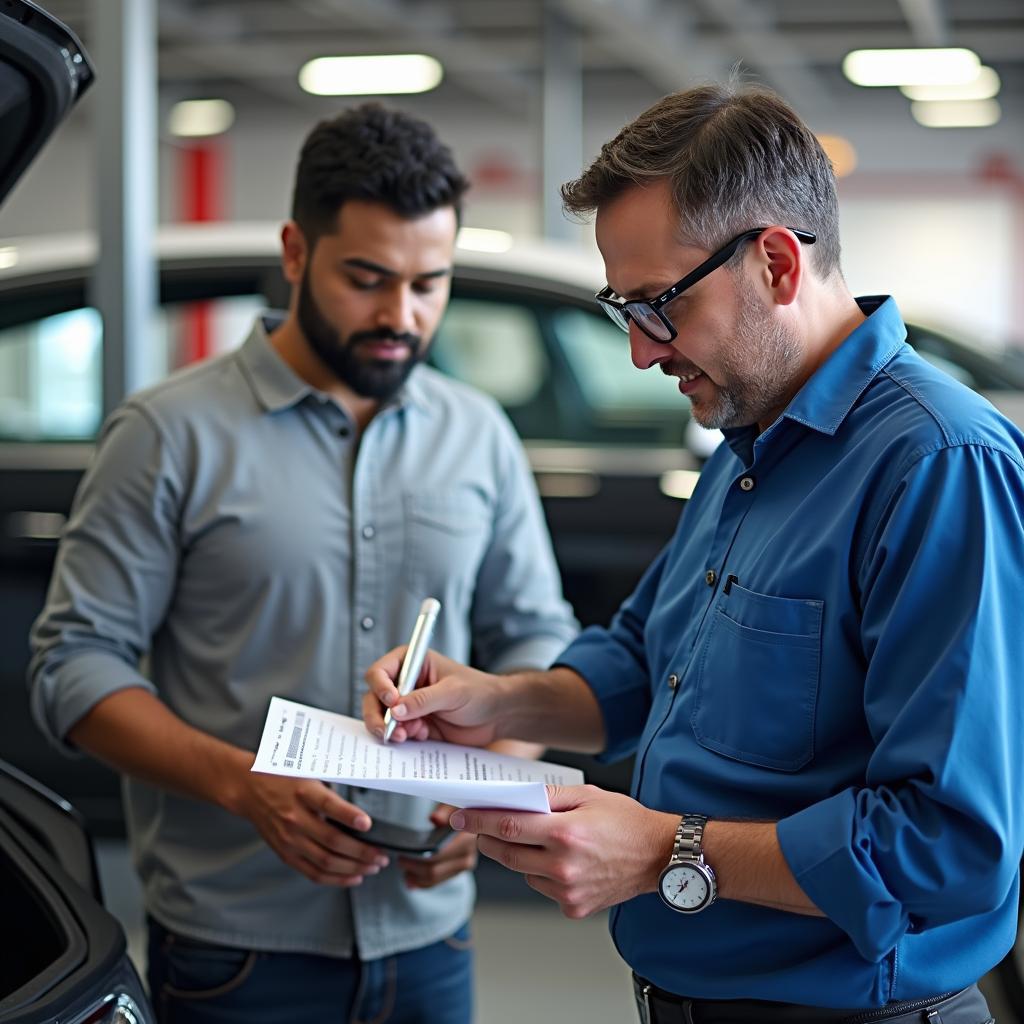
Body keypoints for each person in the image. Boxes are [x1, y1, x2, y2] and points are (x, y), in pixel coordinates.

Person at [364, 82, 1024, 1024]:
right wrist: (497, 700)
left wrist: (664, 851)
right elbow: (643, 660)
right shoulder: (749, 438)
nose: (640, 352)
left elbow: (950, 844)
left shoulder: (937, 466)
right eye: (622, 310)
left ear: (777, 264)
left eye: (659, 305)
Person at [29, 103, 577, 1024]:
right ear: (295, 253)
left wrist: (490, 793)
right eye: (367, 279)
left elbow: (541, 640)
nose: (401, 317)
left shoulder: (478, 436)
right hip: (237, 949)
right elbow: (72, 667)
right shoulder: (167, 435)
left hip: (428, 938)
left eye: (429, 284)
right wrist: (242, 783)